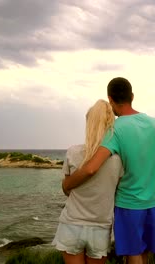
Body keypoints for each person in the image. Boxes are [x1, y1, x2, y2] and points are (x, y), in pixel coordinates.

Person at [63, 77, 155, 264]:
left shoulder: (115, 130)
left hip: (129, 205)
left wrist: (67, 184)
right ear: (132, 96)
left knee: (133, 253)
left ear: (110, 99)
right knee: (144, 252)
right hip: (153, 203)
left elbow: (91, 168)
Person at [52, 99, 124, 264]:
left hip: (72, 223)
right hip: (101, 226)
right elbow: (117, 190)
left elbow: (66, 189)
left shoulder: (73, 152)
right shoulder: (118, 159)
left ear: (88, 123)